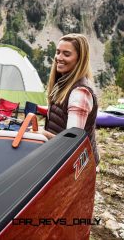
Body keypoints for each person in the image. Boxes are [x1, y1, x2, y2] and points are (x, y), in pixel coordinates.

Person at [40, 33, 99, 164]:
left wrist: (41, 134)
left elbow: (71, 144)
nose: (58, 58)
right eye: (58, 52)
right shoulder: (63, 83)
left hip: (79, 167)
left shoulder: (80, 93)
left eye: (66, 54)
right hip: (61, 160)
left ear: (80, 59)